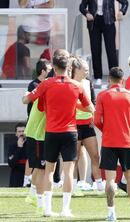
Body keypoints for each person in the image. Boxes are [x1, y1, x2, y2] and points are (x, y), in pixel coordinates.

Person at [22, 49, 94, 217]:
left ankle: (47, 209)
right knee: (68, 171)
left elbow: (27, 99)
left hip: (51, 132)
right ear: (68, 66)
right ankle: (65, 209)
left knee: (49, 170)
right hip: (70, 132)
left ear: (53, 66)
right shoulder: (76, 85)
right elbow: (90, 108)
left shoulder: (45, 84)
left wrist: (27, 95)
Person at [94, 67, 130, 220]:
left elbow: (96, 121)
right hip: (127, 141)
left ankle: (111, 213)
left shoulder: (102, 95)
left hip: (109, 142)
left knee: (110, 179)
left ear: (109, 80)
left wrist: (105, 130)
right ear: (123, 80)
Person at [71, 57, 104, 192]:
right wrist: (88, 109)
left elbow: (93, 101)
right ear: (77, 70)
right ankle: (72, 184)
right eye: (85, 69)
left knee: (95, 155)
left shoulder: (87, 82)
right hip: (74, 125)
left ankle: (99, 183)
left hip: (88, 125)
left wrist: (93, 115)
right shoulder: (70, 83)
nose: (87, 72)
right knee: (74, 157)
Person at [24, 59, 52, 213]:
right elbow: (26, 99)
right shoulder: (36, 86)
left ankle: (32, 193)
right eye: (49, 68)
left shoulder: (44, 86)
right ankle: (40, 202)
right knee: (40, 166)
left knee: (40, 166)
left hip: (41, 131)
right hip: (36, 132)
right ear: (43, 70)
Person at [79, 0, 129, 86]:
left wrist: (121, 11)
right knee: (95, 50)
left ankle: (115, 77)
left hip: (108, 21)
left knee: (111, 51)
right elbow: (82, 6)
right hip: (94, 22)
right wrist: (87, 13)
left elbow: (125, 2)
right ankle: (98, 77)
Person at [8, 123, 27, 187]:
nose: (21, 133)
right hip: (16, 176)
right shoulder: (12, 146)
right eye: (19, 131)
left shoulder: (31, 145)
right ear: (16, 134)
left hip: (29, 174)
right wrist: (19, 147)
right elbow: (11, 164)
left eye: (23, 131)